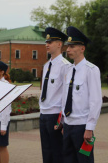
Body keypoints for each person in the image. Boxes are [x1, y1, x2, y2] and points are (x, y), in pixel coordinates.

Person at [62, 26, 102, 163]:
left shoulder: (91, 70)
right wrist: (63, 122)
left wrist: (89, 128)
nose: (68, 49)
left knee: (84, 160)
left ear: (82, 48)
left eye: (72, 46)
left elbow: (95, 101)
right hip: (68, 125)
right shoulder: (68, 70)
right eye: (68, 46)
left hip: (82, 127)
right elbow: (65, 98)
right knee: (68, 160)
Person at [39, 27, 70, 163]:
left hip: (55, 114)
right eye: (47, 42)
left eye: (50, 42)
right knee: (46, 152)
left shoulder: (65, 66)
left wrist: (62, 119)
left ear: (59, 44)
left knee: (58, 153)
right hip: (44, 114)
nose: (47, 44)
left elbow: (66, 94)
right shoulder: (46, 66)